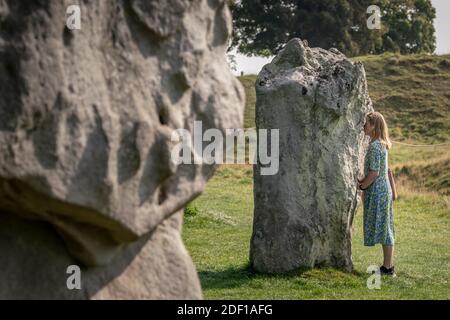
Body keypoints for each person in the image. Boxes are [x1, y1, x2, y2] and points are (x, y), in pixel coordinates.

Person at [358, 111, 396, 276]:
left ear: (373, 126)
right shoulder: (381, 144)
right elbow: (386, 170)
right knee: (385, 227)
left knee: (385, 229)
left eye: (366, 123)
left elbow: (374, 173)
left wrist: (362, 186)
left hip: (378, 191)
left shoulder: (374, 146)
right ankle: (387, 266)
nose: (363, 126)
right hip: (383, 190)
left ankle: (387, 268)